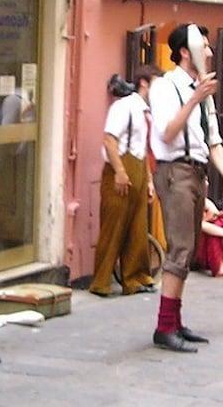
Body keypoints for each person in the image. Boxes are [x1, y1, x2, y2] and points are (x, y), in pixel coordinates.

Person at [149, 23, 223, 353]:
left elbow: (212, 140)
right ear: (185, 52)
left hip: (197, 172)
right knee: (179, 250)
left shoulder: (201, 90)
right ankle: (164, 327)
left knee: (188, 251)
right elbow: (166, 133)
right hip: (175, 171)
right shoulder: (165, 87)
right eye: (204, 46)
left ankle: (175, 322)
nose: (211, 52)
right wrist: (194, 99)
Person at [89, 66, 162, 298]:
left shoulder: (145, 111)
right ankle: (101, 281)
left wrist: (148, 180)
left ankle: (136, 278)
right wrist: (120, 171)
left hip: (139, 166)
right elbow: (110, 140)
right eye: (156, 85)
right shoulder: (124, 107)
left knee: (138, 227)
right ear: (144, 84)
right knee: (114, 226)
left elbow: (142, 148)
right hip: (120, 166)